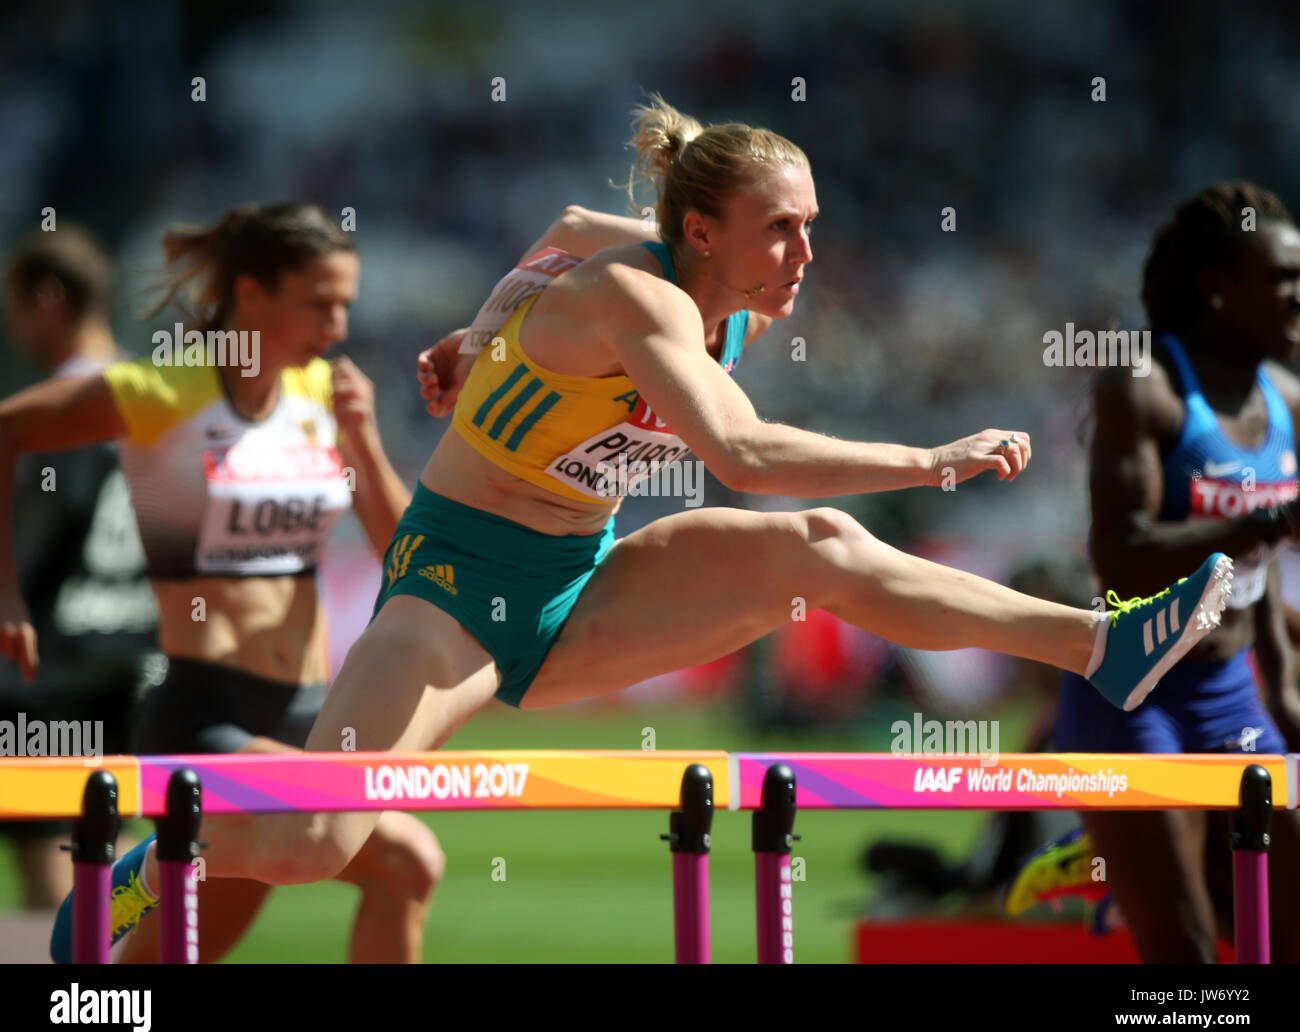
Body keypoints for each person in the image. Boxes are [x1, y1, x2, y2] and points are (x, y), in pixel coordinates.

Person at [28, 97, 1232, 957]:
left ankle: (1100, 645)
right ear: (698, 233)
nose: (806, 252)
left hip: (581, 578)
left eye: (810, 224)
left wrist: (472, 332)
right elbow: (741, 454)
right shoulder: (632, 294)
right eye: (783, 229)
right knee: (318, 842)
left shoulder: (685, 280)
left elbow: (553, 221)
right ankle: (149, 850)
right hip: (454, 587)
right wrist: (927, 456)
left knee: (824, 554)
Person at [0, 203, 443, 963]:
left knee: (157, 972)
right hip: (206, 712)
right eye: (318, 302)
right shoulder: (162, 390)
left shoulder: (319, 395)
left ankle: (169, 867)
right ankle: (150, 861)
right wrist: (5, 593)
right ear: (249, 294)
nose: (337, 325)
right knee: (407, 858)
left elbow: (404, 552)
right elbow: (8, 429)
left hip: (313, 710)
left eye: (346, 303)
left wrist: (364, 441)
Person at [1052, 182, 1300, 962]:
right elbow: (1120, 553)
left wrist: (1286, 692)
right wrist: (1261, 522)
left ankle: (1104, 867)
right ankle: (1108, 861)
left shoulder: (1291, 396)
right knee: (1185, 958)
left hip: (1231, 695)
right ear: (1218, 289)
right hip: (1132, 695)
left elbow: (1256, 583)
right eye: (1283, 278)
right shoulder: (1142, 385)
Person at [0, 227, 157, 911]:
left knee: (48, 872)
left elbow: (33, 537)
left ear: (47, 297)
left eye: (16, 305)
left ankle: (73, 1001)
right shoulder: (161, 398)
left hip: (48, 667)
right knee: (107, 852)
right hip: (137, 655)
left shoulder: (49, 416)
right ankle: (116, 1002)